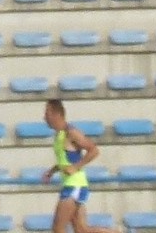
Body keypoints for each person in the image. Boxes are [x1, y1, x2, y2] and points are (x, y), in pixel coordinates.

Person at [42, 98, 114, 233]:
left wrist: (76, 167)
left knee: (58, 229)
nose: (44, 118)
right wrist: (52, 171)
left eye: (47, 113)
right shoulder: (59, 135)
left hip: (74, 185)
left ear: (57, 114)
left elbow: (93, 150)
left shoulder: (71, 132)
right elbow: (65, 161)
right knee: (82, 230)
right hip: (72, 185)